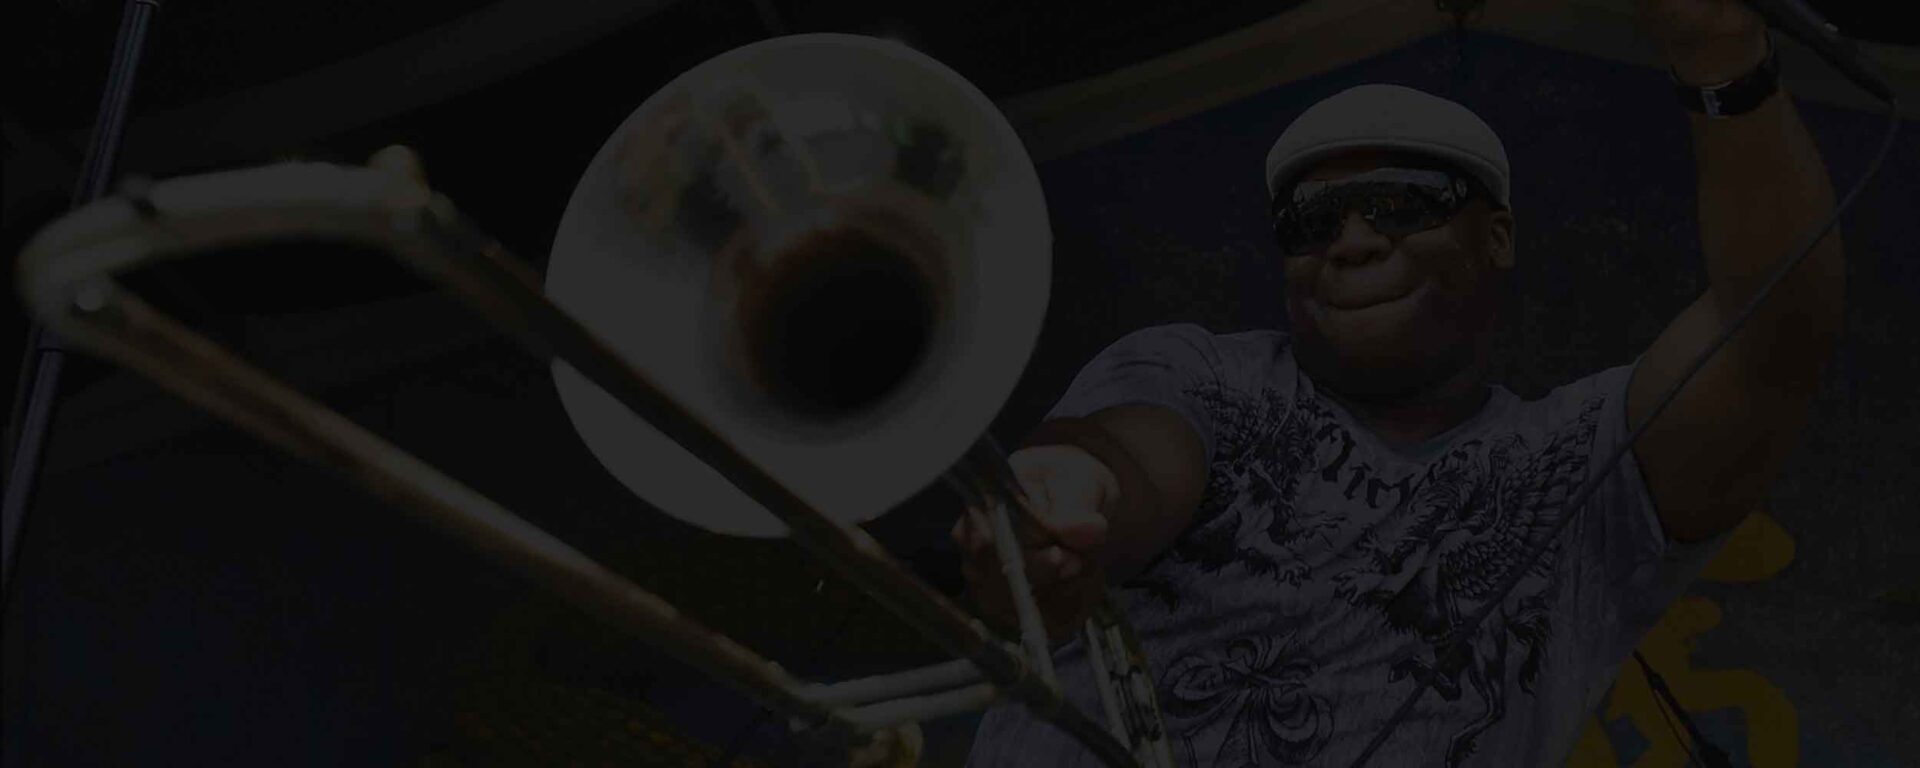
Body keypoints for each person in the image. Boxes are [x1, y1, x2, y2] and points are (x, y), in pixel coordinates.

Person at [955, 1, 1843, 765]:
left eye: (1401, 203)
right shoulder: (1203, 372)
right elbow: (1129, 457)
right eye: (1310, 221)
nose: (1350, 241)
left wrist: (1721, 53)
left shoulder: (1578, 472)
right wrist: (1067, 496)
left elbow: (1772, 332)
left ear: (1496, 236)